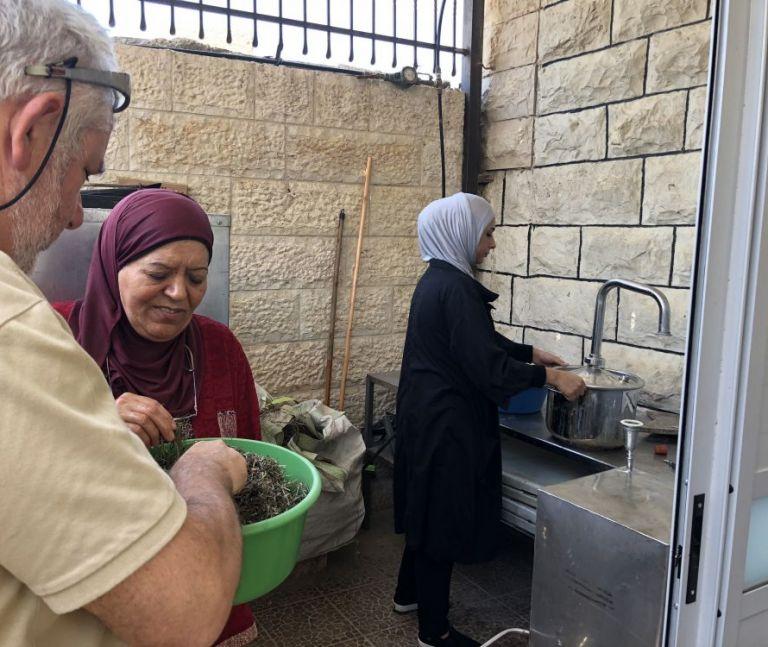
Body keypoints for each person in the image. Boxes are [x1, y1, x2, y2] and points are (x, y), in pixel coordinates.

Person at [0, 2, 248, 645]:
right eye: (82, 174)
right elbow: (183, 609)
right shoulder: (33, 337)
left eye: (198, 278)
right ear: (31, 130)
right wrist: (196, 469)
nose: (72, 214)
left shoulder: (219, 350)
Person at [52, 188, 262, 646]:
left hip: (208, 599)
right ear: (114, 267)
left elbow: (252, 463)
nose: (179, 294)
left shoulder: (221, 348)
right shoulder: (54, 341)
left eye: (196, 277)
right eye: (159, 273)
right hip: (94, 609)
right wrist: (94, 420)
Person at [392, 193, 586, 647]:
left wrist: (528, 352)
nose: (492, 244)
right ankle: (434, 632)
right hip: (445, 425)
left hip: (428, 419)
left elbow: (475, 340)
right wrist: (552, 376)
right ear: (461, 232)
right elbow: (486, 367)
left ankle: (408, 595)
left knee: (425, 508)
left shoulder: (439, 279)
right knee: (439, 521)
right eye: (488, 232)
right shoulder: (455, 287)